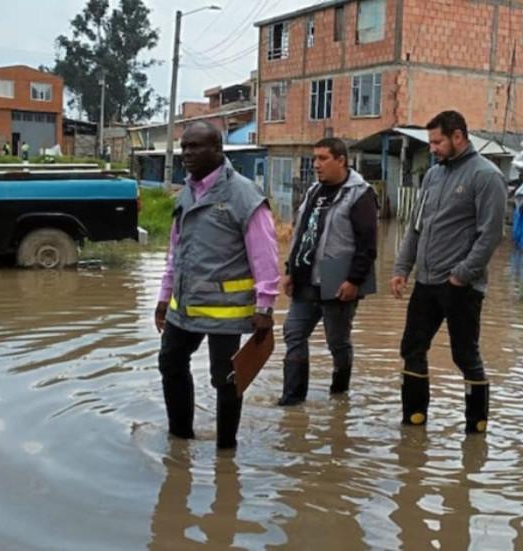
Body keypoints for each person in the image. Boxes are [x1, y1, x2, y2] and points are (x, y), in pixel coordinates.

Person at [154, 121, 279, 450]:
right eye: (184, 148)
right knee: (170, 363)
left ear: (218, 150)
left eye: (195, 147)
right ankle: (180, 440)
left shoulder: (242, 194)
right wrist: (164, 297)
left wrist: (265, 307)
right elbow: (174, 250)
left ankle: (227, 452)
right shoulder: (187, 191)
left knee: (226, 379)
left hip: (227, 311)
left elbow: (265, 253)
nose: (187, 154)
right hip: (183, 308)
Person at [390, 110, 507, 434]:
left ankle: (475, 432)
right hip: (425, 283)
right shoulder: (433, 176)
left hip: (461, 287)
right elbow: (416, 226)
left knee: (464, 355)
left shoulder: (486, 176)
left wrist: (462, 274)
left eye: (437, 141)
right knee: (412, 349)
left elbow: (491, 234)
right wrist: (402, 268)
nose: (432, 148)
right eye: (430, 142)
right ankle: (413, 425)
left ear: (458, 137)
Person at [278, 138, 378, 406]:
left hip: (338, 277)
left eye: (323, 159)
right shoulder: (313, 191)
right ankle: (292, 399)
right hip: (305, 277)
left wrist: (354, 280)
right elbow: (301, 233)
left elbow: (367, 244)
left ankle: (339, 393)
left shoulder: (360, 194)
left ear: (341, 160)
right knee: (293, 333)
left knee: (337, 342)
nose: (316, 165)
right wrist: (289, 269)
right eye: (314, 159)